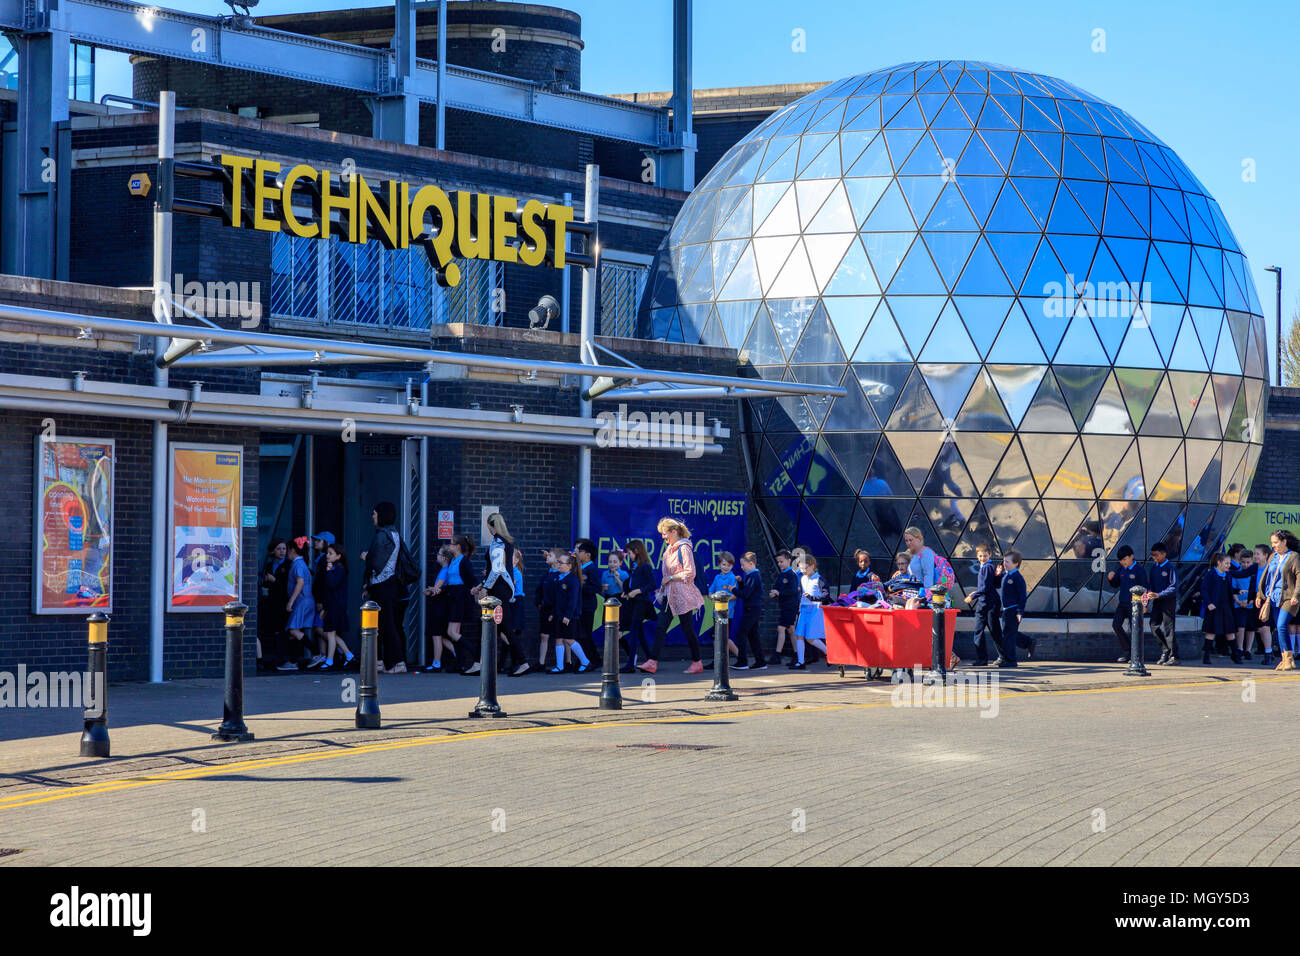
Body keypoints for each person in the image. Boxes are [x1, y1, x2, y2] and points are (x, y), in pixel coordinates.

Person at [636, 518, 705, 675]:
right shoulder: (668, 551)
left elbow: (690, 572)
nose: (662, 537)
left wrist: (671, 578)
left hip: (682, 596)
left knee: (687, 629)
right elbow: (667, 575)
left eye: (664, 533)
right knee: (661, 627)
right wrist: (663, 588)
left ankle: (697, 662)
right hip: (670, 595)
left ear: (674, 532)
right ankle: (652, 662)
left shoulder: (684, 548)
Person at [474, 513, 527, 675]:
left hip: (499, 589)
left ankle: (522, 662)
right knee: (499, 627)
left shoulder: (497, 542)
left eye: (488, 526)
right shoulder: (507, 542)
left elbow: (496, 569)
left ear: (491, 525)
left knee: (502, 627)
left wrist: (484, 586)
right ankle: (479, 662)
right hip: (502, 589)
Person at [361, 501, 408, 675]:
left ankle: (397, 662)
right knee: (386, 624)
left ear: (381, 515)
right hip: (390, 584)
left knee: (386, 625)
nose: (373, 517)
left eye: (374, 513)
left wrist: (366, 556)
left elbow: (375, 561)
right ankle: (384, 662)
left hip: (382, 585)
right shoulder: (394, 533)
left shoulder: (382, 535)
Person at [549, 552, 594, 673]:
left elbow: (573, 600)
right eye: (558, 562)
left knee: (569, 639)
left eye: (561, 563)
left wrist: (568, 615)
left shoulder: (573, 580)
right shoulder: (558, 578)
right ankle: (560, 666)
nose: (558, 565)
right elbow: (556, 599)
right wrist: (553, 613)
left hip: (569, 616)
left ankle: (585, 662)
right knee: (558, 638)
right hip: (559, 615)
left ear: (569, 566)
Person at [1263, 530, 1300, 671]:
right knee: (1279, 629)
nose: (1273, 546)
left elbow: (1299, 576)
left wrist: (1296, 595)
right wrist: (1262, 596)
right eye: (1272, 543)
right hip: (1273, 597)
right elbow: (1267, 576)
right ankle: (1285, 659)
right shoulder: (1273, 556)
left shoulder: (1294, 557)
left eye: (1276, 542)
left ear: (1284, 542)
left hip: (1288, 597)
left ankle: (1289, 659)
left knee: (1281, 625)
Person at [278, 536, 316, 671]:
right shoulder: (301, 563)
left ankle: (317, 653)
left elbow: (300, 583)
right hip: (304, 600)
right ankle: (294, 661)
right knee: (293, 632)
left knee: (293, 630)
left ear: (293, 550)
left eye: (288, 550)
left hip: (301, 601)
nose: (286, 553)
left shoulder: (298, 564)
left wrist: (291, 601)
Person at [620, 539, 657, 672]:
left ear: (636, 551)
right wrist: (627, 591)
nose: (628, 556)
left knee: (634, 631)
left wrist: (637, 591)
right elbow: (631, 581)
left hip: (641, 602)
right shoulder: (634, 565)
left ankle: (630, 664)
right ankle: (650, 659)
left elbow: (652, 584)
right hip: (633, 602)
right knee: (639, 632)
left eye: (629, 553)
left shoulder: (645, 566)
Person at [316, 542, 354, 670]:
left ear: (338, 556)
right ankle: (348, 654)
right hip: (333, 605)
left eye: (330, 553)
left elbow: (332, 584)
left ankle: (330, 660)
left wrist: (328, 570)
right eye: (327, 553)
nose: (327, 555)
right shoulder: (336, 568)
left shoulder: (339, 569)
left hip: (336, 606)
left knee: (331, 633)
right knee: (331, 633)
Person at [1106, 545, 1147, 663]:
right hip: (1123, 603)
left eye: (1125, 559)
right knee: (1116, 625)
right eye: (1121, 561)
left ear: (1131, 557)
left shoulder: (1139, 570)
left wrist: (1144, 604)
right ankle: (1127, 650)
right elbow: (1115, 584)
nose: (1123, 562)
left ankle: (1135, 655)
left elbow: (1145, 588)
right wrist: (1110, 578)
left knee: (1134, 628)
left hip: (1135, 604)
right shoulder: (1121, 570)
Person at [965, 542, 1002, 666]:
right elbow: (994, 585)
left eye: (985, 556)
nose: (982, 558)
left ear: (990, 555)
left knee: (981, 631)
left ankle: (983, 659)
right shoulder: (989, 567)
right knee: (991, 631)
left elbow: (986, 587)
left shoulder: (986, 567)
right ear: (977, 556)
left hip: (987, 603)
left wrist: (972, 596)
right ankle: (999, 656)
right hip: (987, 602)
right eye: (980, 556)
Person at [1142, 542, 1179, 666]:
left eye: (1156, 555)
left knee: (1169, 628)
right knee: (1153, 625)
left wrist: (1160, 594)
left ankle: (1174, 655)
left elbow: (1173, 587)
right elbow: (1150, 585)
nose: (1154, 557)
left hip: (1168, 600)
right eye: (1152, 555)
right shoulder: (1154, 568)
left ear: (1164, 554)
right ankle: (1165, 650)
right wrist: (1148, 599)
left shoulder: (1170, 567)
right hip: (1157, 600)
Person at [789, 555, 828, 670]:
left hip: (815, 611)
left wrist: (812, 598)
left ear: (812, 566)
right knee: (799, 635)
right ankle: (801, 662)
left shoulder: (819, 579)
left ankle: (828, 653)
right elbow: (803, 595)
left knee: (810, 638)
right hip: (804, 610)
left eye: (805, 568)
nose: (803, 571)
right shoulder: (803, 578)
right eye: (801, 569)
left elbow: (826, 595)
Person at [1199, 552, 1236, 666]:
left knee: (1230, 631)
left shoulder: (1227, 575)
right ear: (1219, 563)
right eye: (1226, 563)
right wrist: (1209, 603)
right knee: (1211, 632)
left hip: (1226, 607)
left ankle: (1235, 655)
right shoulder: (1210, 574)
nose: (1229, 565)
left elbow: (1229, 589)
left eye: (1229, 563)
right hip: (1214, 607)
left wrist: (1238, 591)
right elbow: (1204, 590)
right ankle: (1206, 656)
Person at [705, 551, 740, 665]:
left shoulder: (733, 578)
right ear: (719, 564)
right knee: (716, 638)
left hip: (727, 613)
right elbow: (711, 591)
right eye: (724, 564)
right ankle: (718, 661)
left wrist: (723, 599)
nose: (726, 567)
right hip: (716, 613)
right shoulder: (717, 577)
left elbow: (736, 595)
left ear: (732, 566)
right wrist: (711, 596)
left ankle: (741, 657)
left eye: (729, 565)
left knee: (725, 638)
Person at [422, 546, 455, 672]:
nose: (437, 555)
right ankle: (458, 654)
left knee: (436, 635)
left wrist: (430, 589)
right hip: (442, 606)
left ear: (444, 558)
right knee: (441, 636)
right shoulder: (446, 570)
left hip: (439, 607)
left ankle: (436, 664)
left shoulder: (444, 571)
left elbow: (437, 589)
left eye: (438, 554)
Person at [258, 538, 289, 670]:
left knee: (281, 631)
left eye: (284, 549)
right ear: (273, 551)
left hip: (283, 602)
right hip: (270, 602)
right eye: (278, 549)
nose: (282, 551)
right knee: (270, 630)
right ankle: (272, 658)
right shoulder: (270, 565)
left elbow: (287, 585)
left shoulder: (288, 565)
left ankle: (283, 658)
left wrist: (274, 580)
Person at [734, 552, 767, 670]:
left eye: (743, 565)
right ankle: (760, 661)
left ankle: (742, 661)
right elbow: (748, 590)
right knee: (753, 635)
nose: (742, 567)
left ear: (751, 563)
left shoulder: (753, 576)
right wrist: (740, 583)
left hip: (752, 609)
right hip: (753, 608)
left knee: (741, 633)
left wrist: (733, 589)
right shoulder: (751, 576)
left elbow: (745, 594)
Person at [768, 549, 800, 665]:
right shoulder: (781, 575)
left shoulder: (792, 575)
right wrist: (773, 593)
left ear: (789, 560)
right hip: (784, 606)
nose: (779, 564)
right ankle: (797, 654)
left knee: (781, 628)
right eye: (778, 562)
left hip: (791, 606)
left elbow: (793, 590)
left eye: (781, 561)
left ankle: (777, 655)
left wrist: (779, 593)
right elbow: (777, 587)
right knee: (791, 630)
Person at [994, 550, 1026, 668]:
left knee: (1009, 637)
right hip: (1006, 610)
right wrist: (997, 575)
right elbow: (997, 585)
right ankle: (1027, 643)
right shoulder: (1006, 575)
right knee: (1007, 635)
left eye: (1007, 562)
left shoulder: (1017, 577)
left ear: (1016, 563)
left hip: (1013, 610)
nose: (1004, 564)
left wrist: (1019, 611)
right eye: (1003, 561)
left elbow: (1022, 596)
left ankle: (1011, 661)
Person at [1227, 544, 1256, 663]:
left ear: (1252, 561)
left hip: (1252, 604)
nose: (1246, 565)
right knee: (1240, 627)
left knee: (1251, 628)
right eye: (1243, 562)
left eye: (1248, 562)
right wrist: (1238, 601)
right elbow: (1233, 589)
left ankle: (1248, 650)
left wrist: (1250, 601)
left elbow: (1258, 589)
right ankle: (1239, 648)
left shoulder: (1255, 573)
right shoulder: (1236, 573)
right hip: (1239, 604)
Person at [574, 539, 602, 665]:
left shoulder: (592, 569)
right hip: (579, 606)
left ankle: (593, 660)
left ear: (588, 554)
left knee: (585, 634)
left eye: (580, 551)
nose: (578, 554)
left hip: (588, 606)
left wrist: (581, 586)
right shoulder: (579, 568)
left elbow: (596, 588)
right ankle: (586, 660)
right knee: (580, 634)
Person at [1248, 543, 1275, 666]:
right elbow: (1241, 573)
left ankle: (1268, 653)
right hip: (1256, 600)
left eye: (1258, 554)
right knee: (1261, 629)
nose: (1255, 556)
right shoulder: (1255, 567)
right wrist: (1225, 571)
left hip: (1267, 600)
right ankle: (1268, 651)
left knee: (1265, 627)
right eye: (1255, 554)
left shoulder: (1271, 568)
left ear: (1265, 555)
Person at [535, 548, 560, 673]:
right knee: (544, 636)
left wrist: (553, 612)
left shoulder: (560, 576)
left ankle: (565, 662)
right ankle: (541, 662)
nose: (546, 557)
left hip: (556, 610)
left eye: (550, 555)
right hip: (545, 609)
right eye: (547, 555)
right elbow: (539, 590)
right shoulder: (546, 575)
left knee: (559, 637)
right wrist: (538, 603)